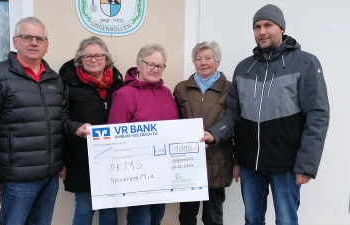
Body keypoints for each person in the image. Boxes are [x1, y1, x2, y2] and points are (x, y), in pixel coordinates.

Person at [201, 4, 330, 225]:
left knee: (286, 221)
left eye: (268, 25)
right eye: (257, 27)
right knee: (252, 220)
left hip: (287, 167)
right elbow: (233, 112)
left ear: (281, 28)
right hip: (251, 165)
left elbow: (317, 115)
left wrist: (306, 165)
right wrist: (215, 134)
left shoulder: (306, 62)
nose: (262, 31)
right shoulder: (244, 68)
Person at [0, 17, 87, 225]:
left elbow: (61, 119)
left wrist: (77, 129)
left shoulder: (54, 79)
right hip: (17, 180)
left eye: (40, 38)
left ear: (47, 45)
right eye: (27, 37)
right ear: (15, 41)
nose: (34, 42)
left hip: (49, 177)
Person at [108, 43, 179, 225]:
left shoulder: (166, 93)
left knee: (156, 217)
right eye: (150, 64)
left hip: (162, 171)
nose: (155, 69)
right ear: (138, 64)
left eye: (160, 66)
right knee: (142, 220)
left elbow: (176, 129)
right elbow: (115, 135)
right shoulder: (124, 94)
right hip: (137, 172)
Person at [58, 36, 124, 225]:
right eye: (88, 56)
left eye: (98, 55)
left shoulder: (118, 83)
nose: (93, 60)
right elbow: (59, 119)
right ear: (80, 59)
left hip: (113, 158)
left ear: (106, 58)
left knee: (109, 209)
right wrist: (75, 129)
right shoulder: (68, 84)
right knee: (84, 209)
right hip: (81, 157)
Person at [174, 41, 236, 225]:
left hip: (217, 161)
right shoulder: (181, 88)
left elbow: (235, 121)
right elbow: (174, 121)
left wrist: (215, 135)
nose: (203, 63)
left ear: (217, 61)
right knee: (186, 216)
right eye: (198, 59)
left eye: (208, 58)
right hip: (187, 162)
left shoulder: (231, 89)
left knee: (212, 217)